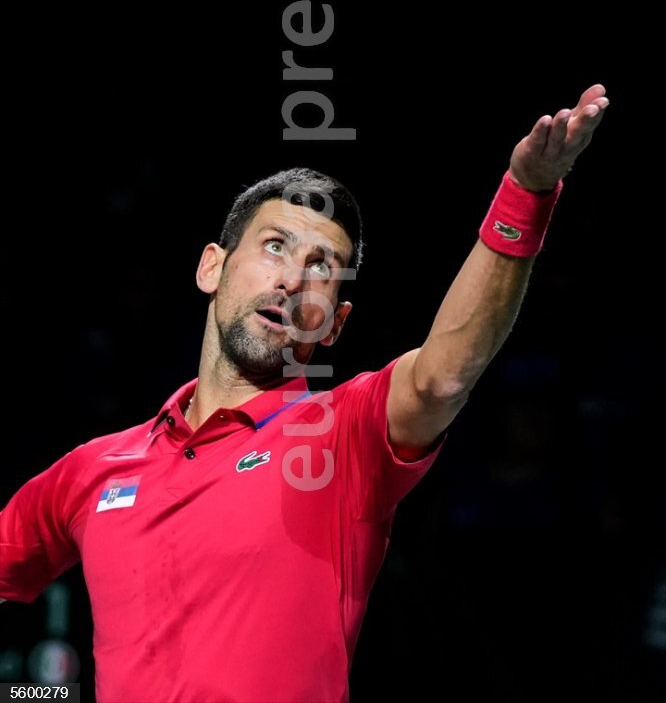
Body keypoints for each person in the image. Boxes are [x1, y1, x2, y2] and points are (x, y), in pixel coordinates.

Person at [0, 84, 609, 703]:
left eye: (322, 267)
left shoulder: (339, 437)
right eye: (274, 247)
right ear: (212, 266)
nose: (293, 279)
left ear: (335, 322)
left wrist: (525, 193)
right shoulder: (94, 472)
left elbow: (443, 374)